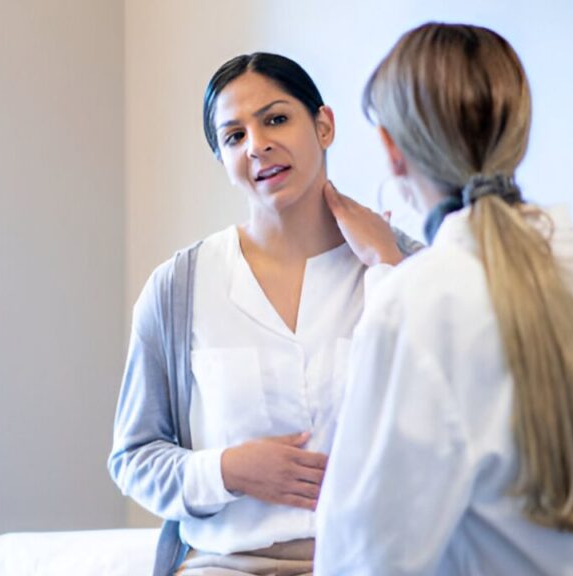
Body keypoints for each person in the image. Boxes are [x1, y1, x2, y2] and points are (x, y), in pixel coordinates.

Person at [315, 22, 573, 575]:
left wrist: (390, 278)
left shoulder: (420, 304)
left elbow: (361, 561)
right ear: (517, 133)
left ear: (392, 152)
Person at [108, 52, 417, 576]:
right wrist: (226, 471)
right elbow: (133, 459)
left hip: (371, 563)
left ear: (323, 125)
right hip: (222, 565)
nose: (257, 145)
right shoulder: (177, 289)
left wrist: (389, 266)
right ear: (223, 161)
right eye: (233, 137)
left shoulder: (404, 266)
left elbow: (457, 425)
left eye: (276, 119)